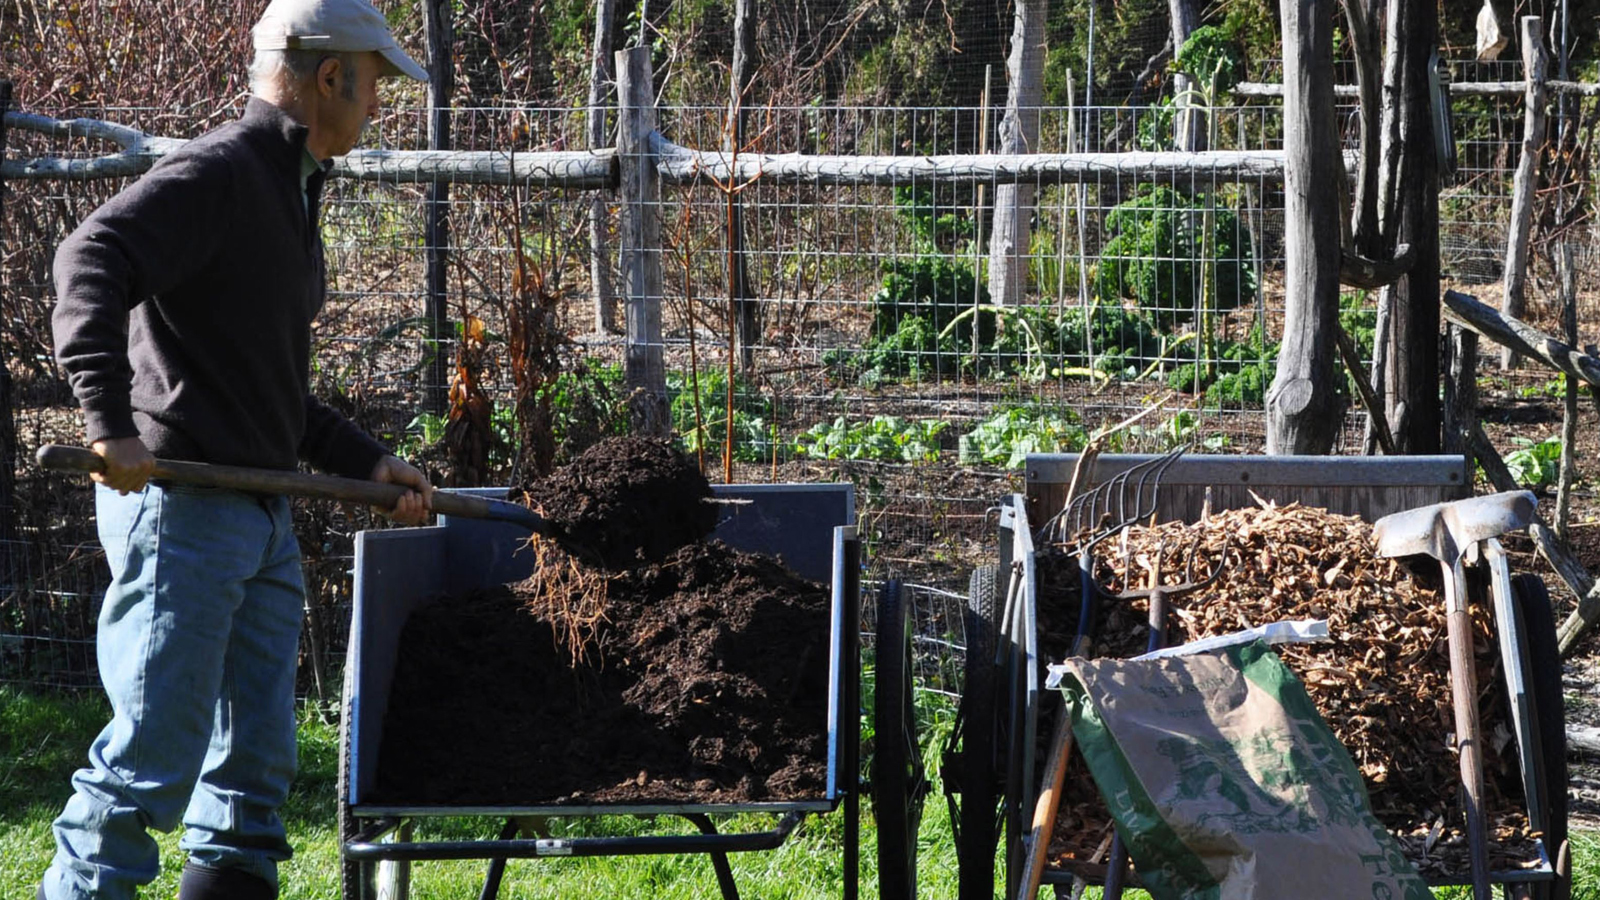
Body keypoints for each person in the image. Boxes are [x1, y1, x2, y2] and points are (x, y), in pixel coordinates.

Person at [40, 1, 434, 898]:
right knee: (149, 760)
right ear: (330, 76)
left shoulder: (290, 189)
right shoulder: (220, 173)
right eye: (373, 85)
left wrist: (367, 461)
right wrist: (109, 424)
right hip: (181, 510)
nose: (377, 107)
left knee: (252, 781)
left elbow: (267, 386)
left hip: (259, 513)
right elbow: (87, 258)